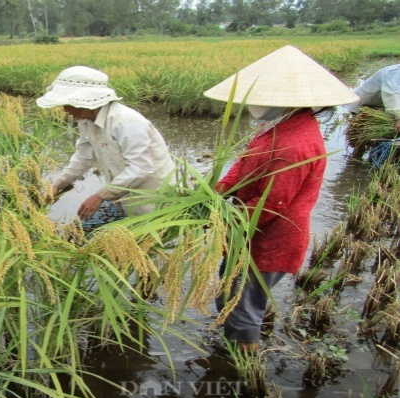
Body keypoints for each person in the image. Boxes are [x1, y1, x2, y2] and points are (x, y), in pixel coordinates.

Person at [202, 45, 359, 352]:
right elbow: (243, 167)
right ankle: (231, 350)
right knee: (230, 295)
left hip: (269, 239)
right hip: (248, 233)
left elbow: (272, 203)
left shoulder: (292, 143)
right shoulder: (278, 126)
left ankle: (245, 372)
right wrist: (216, 193)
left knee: (241, 308)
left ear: (285, 100)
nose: (255, 104)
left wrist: (221, 219)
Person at [37, 66, 176, 233]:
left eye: (67, 103)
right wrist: (58, 185)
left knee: (136, 250)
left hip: (149, 201)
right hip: (119, 196)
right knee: (76, 234)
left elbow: (141, 168)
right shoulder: (86, 121)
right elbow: (84, 157)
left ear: (82, 101)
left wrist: (100, 196)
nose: (65, 110)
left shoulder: (126, 121)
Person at [346, 64, 400, 132]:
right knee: (373, 134)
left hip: (380, 107)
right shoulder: (393, 73)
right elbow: (393, 95)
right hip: (364, 109)